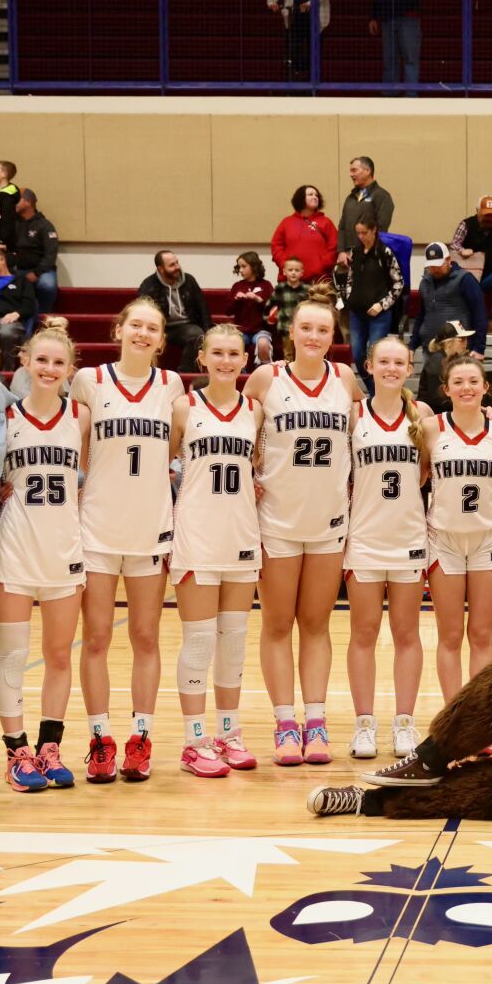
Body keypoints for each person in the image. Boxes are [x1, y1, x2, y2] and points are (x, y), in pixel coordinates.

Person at [72, 299, 189, 783]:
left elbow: (175, 450)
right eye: (135, 325)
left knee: (145, 637)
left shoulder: (171, 385)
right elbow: (79, 449)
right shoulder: (90, 381)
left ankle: (141, 738)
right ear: (118, 330)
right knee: (97, 637)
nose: (142, 333)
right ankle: (100, 739)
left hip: (150, 529)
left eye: (152, 328)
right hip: (98, 527)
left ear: (161, 340)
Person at [246, 291, 363, 764]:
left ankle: (315, 722)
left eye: (323, 330)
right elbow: (236, 432)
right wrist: (249, 472)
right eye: (307, 328)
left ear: (333, 337)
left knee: (316, 625)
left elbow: (375, 430)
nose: (314, 336)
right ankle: (284, 725)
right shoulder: (266, 378)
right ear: (291, 332)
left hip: (328, 522)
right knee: (277, 625)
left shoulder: (345, 379)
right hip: (277, 520)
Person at [0, 320, 90, 793]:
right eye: (42, 360)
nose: (49, 368)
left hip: (64, 551)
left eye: (59, 362)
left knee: (58, 655)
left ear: (71, 369)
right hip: (15, 549)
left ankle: (50, 747)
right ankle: (17, 751)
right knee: (13, 655)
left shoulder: (81, 418)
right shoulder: (3, 417)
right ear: (25, 362)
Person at [166, 325, 266, 778]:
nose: (226, 361)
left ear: (245, 360)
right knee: (200, 639)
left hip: (241, 534)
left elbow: (257, 466)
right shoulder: (183, 407)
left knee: (234, 640)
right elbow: (163, 466)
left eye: (234, 354)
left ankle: (228, 732)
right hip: (197, 534)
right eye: (218, 353)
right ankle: (194, 741)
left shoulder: (255, 411)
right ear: (202, 358)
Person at [342, 337, 431, 759]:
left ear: (409, 368)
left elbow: (427, 472)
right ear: (370, 366)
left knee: (407, 634)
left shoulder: (423, 416)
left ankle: (404, 724)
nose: (392, 368)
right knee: (363, 633)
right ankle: (364, 725)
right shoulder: (353, 415)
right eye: (384, 361)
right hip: (364, 537)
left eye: (399, 362)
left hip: (409, 539)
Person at [425, 353, 492, 699]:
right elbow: (419, 477)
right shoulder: (431, 429)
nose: (466, 388)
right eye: (458, 382)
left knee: (482, 635)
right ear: (446, 389)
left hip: (488, 540)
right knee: (451, 635)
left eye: (473, 381)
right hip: (444, 541)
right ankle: (454, 716)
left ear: (486, 387)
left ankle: (479, 716)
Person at [337, 220, 404, 383]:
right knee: (357, 354)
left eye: (364, 233)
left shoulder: (385, 252)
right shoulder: (355, 252)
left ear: (374, 230)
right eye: (358, 233)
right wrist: (349, 298)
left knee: (375, 355)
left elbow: (398, 283)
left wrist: (382, 304)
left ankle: (377, 391)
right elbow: (350, 278)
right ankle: (373, 388)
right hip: (357, 312)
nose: (361, 236)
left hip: (379, 315)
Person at [449, 195, 492, 334]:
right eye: (485, 215)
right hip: (467, 278)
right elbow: (454, 245)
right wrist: (462, 250)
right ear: (477, 211)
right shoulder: (466, 224)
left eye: (491, 216)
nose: (488, 219)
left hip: (489, 276)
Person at [138, 250, 212, 372]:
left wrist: (208, 331)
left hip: (186, 326)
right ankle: (146, 372)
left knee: (198, 335)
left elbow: (202, 307)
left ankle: (183, 373)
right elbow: (144, 312)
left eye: (177, 262)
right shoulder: (149, 285)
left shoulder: (189, 280)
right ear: (161, 269)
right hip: (161, 327)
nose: (177, 267)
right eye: (172, 265)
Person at [414, 241, 487, 350]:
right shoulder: (425, 283)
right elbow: (422, 315)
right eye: (432, 266)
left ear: (448, 260)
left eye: (439, 265)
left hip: (458, 349)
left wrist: (479, 348)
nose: (435, 269)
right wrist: (412, 345)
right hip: (430, 348)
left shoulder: (465, 279)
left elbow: (479, 313)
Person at [336, 157, 395, 270]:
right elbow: (342, 227)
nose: (351, 174)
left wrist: (366, 251)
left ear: (367, 171)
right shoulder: (350, 198)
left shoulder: (382, 196)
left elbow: (381, 228)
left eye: (354, 170)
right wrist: (341, 251)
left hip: (370, 256)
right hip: (347, 257)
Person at [271, 184, 338, 284]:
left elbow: (334, 247)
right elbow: (276, 246)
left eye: (316, 195)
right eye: (310, 194)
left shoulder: (326, 222)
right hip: (291, 282)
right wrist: (285, 265)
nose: (315, 197)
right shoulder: (286, 222)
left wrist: (322, 266)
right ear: (301, 198)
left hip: (319, 280)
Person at [10, 189, 59, 322]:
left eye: (17, 200)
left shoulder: (45, 225)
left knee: (47, 285)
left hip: (42, 270)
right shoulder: (13, 223)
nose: (14, 203)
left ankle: (44, 316)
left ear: (28, 202)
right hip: (18, 268)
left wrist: (36, 273)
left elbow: (50, 255)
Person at [228, 251, 274, 354]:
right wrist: (236, 299)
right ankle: (238, 365)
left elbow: (272, 309)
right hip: (241, 330)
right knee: (234, 343)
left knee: (263, 344)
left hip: (261, 329)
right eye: (239, 267)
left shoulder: (266, 285)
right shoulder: (237, 286)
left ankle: (265, 364)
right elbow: (228, 311)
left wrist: (258, 299)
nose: (241, 270)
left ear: (253, 266)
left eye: (244, 266)